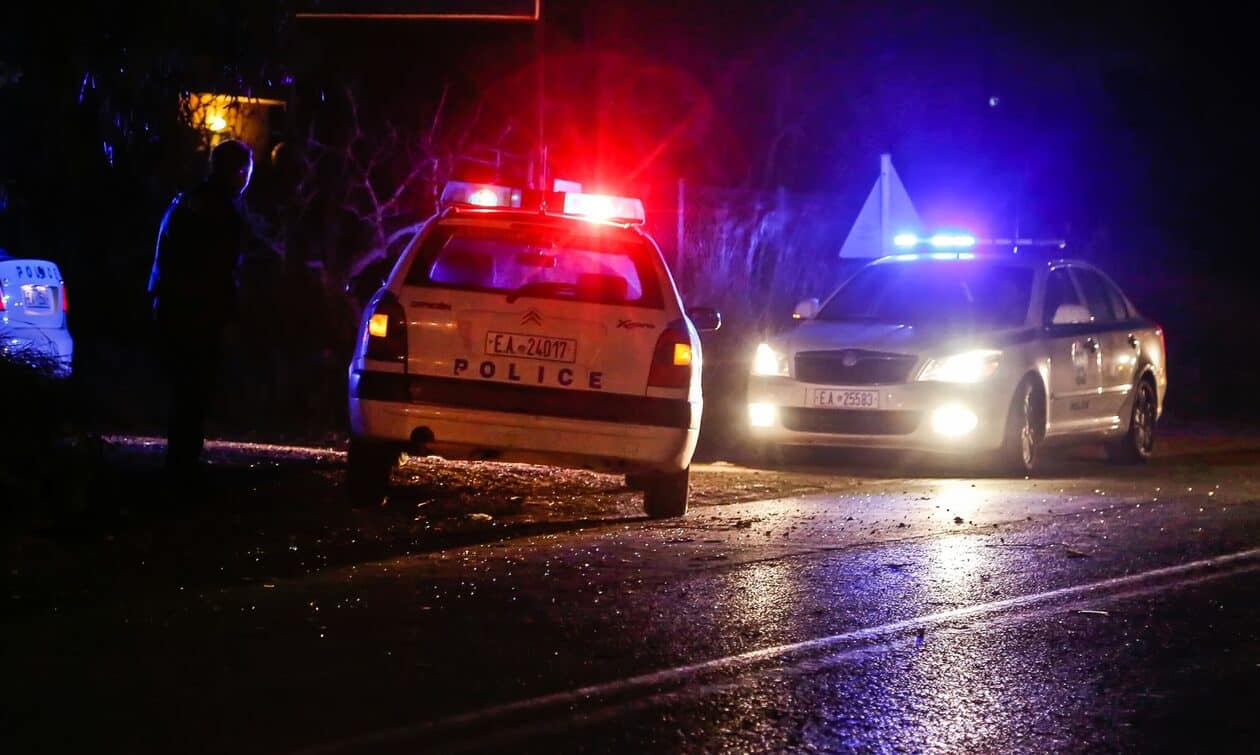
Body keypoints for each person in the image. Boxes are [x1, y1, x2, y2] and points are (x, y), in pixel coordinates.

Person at [147, 139, 253, 480]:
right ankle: (183, 466)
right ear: (239, 172)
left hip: (172, 307)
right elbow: (222, 271)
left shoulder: (186, 201)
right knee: (195, 391)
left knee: (184, 390)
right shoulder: (220, 212)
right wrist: (229, 314)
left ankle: (180, 461)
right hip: (198, 313)